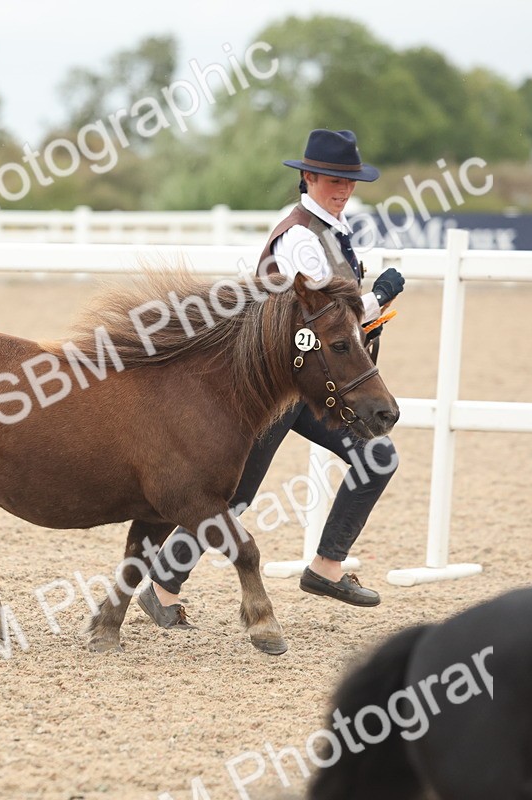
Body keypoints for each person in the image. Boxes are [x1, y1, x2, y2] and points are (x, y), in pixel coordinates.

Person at [138, 129, 405, 628]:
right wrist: (379, 298)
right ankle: (161, 587)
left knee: (377, 455)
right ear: (308, 177)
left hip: (312, 382)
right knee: (234, 496)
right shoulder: (300, 236)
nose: (343, 188)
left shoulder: (333, 230)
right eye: (333, 179)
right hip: (272, 389)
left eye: (349, 180)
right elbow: (324, 314)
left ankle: (327, 564)